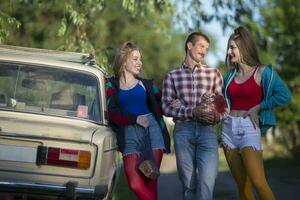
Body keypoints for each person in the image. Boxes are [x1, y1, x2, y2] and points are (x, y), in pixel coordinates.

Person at [221, 26, 292, 200]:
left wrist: (259, 106)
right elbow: (222, 102)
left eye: (233, 48)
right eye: (229, 48)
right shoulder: (229, 76)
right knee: (242, 185)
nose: (229, 52)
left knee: (258, 181)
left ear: (244, 47)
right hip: (228, 129)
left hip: (249, 127)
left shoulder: (263, 72)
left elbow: (285, 96)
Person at [162, 32, 223, 200]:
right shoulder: (172, 76)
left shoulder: (214, 74)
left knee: (206, 183)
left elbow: (223, 105)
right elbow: (166, 107)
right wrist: (191, 112)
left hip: (207, 132)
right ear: (189, 45)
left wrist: (217, 116)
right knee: (189, 184)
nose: (204, 51)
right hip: (183, 132)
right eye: (201, 46)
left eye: (207, 49)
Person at [105, 41, 170, 200]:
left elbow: (162, 102)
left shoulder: (146, 84)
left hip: (152, 131)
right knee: (134, 183)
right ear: (123, 60)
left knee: (150, 180)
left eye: (140, 59)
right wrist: (135, 119)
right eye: (135, 59)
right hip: (128, 135)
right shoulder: (110, 85)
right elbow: (111, 112)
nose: (139, 63)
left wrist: (173, 102)